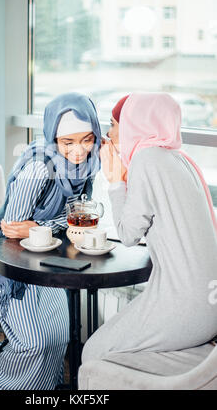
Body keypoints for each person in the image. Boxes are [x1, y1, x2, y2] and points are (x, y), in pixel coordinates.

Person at [0, 92, 101, 390]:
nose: (80, 150)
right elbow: (12, 229)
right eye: (68, 142)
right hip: (12, 264)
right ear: (53, 137)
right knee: (35, 342)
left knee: (60, 337)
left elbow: (71, 218)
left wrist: (39, 227)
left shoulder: (88, 166)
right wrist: (54, 226)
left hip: (48, 260)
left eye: (87, 139)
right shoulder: (39, 168)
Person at [81, 92, 217, 364]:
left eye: (114, 125)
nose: (109, 134)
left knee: (92, 352)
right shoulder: (179, 159)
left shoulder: (146, 160)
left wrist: (116, 181)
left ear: (134, 126)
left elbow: (129, 235)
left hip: (186, 306)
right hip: (209, 303)